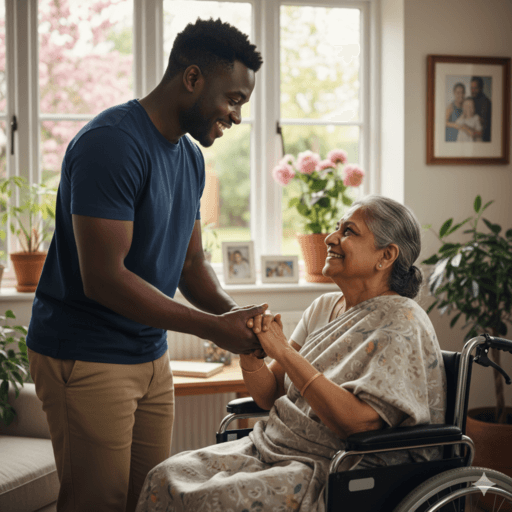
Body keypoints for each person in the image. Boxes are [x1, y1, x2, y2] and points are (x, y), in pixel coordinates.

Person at [26, 18, 267, 512]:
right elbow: (104, 279)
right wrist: (212, 328)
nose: (237, 116)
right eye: (234, 99)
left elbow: (191, 264)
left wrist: (239, 318)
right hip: (87, 355)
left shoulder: (191, 159)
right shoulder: (111, 143)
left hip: (149, 358)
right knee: (98, 504)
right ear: (193, 78)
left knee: (149, 500)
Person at [135, 195, 447, 512]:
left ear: (386, 255)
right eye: (337, 228)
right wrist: (251, 349)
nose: (330, 238)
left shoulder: (402, 321)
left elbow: (359, 424)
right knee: (166, 476)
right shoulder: (324, 306)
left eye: (349, 231)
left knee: (207, 500)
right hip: (275, 445)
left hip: (338, 465)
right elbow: (269, 395)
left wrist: (283, 351)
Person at [471, 76, 492, 142]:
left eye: (475, 88)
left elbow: (484, 124)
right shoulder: (471, 99)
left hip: (483, 139)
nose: (473, 91)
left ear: (481, 88)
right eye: (471, 88)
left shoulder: (486, 102)